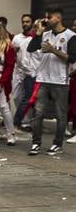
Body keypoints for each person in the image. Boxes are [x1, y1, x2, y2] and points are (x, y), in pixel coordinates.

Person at [27, 9, 76, 155]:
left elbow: (72, 58)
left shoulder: (71, 36)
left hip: (60, 81)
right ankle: (36, 143)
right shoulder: (45, 34)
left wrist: (53, 50)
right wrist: (38, 32)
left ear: (59, 18)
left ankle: (57, 144)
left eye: (50, 17)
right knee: (38, 113)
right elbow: (31, 48)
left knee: (60, 115)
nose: (46, 19)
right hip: (43, 78)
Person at [0, 23, 17, 145]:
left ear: (1, 32)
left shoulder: (8, 47)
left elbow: (9, 67)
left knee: (3, 106)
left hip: (2, 78)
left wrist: (1, 82)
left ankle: (10, 133)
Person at [11, 13, 37, 130]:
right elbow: (13, 54)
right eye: (23, 22)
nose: (25, 24)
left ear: (32, 23)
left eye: (28, 21)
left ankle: (26, 122)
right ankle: (21, 119)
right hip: (18, 72)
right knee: (16, 97)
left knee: (29, 97)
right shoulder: (17, 38)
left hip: (31, 72)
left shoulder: (36, 38)